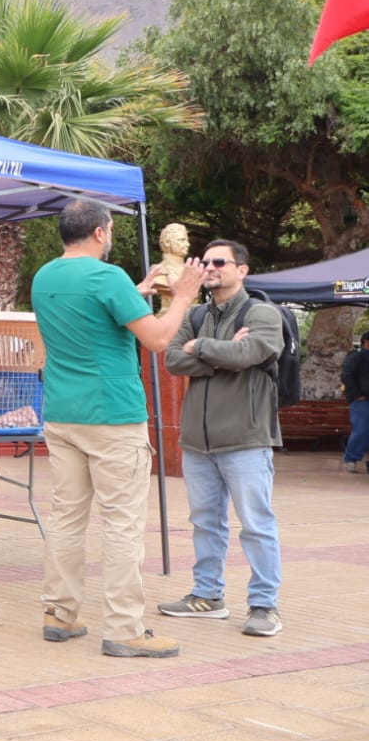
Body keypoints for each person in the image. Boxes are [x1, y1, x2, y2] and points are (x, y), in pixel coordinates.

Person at [32, 199, 204, 658]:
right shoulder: (107, 278)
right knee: (122, 524)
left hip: (63, 412)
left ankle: (59, 613)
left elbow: (91, 312)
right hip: (112, 416)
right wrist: (183, 296)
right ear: (101, 233)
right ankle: (125, 629)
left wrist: (139, 288)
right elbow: (159, 339)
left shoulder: (45, 276)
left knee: (67, 516)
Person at [160, 240, 285, 638]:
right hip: (198, 442)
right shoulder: (196, 314)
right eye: (206, 261)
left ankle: (265, 606)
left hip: (246, 439)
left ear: (242, 270)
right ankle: (207, 596)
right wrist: (221, 351)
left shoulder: (262, 311)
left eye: (220, 262)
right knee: (205, 523)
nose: (210, 267)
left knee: (256, 524)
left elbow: (250, 353)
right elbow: (172, 358)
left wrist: (205, 350)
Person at [341, 331, 369, 474]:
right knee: (362, 429)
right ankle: (351, 458)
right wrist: (356, 394)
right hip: (361, 400)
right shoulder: (356, 357)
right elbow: (346, 375)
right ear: (366, 341)